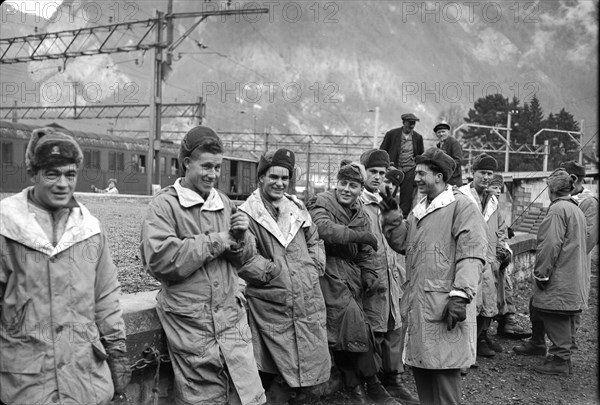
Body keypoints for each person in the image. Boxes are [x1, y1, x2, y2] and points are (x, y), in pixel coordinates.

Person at [0, 127, 130, 405]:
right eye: (52, 173)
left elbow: (105, 297)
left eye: (70, 174)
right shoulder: (6, 226)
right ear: (33, 174)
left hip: (85, 380)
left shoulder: (90, 229)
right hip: (25, 383)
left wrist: (117, 354)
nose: (62, 184)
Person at [140, 126, 266, 405]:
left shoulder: (222, 201)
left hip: (231, 319)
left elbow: (245, 258)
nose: (213, 174)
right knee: (203, 397)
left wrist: (243, 238)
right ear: (186, 163)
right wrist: (217, 241)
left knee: (247, 394)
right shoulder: (165, 205)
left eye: (218, 167)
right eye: (206, 166)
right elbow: (160, 259)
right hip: (192, 323)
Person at [380, 147, 487, 405]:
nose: (415, 179)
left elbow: (471, 254)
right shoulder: (420, 208)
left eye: (421, 173)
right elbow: (405, 243)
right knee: (424, 370)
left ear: (439, 176)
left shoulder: (462, 206)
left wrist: (461, 295)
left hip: (444, 304)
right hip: (421, 304)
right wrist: (393, 216)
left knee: (444, 372)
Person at [237, 149, 330, 404]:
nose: (279, 183)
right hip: (270, 304)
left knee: (308, 373)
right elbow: (245, 259)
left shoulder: (297, 208)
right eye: (273, 177)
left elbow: (314, 240)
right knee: (273, 371)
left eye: (285, 178)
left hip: (306, 298)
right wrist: (274, 272)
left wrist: (313, 266)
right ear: (261, 178)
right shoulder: (247, 214)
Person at [307, 162, 401, 405]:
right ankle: (367, 384)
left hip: (351, 277)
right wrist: (358, 236)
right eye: (343, 183)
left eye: (353, 185)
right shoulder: (322, 202)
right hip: (327, 273)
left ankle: (362, 384)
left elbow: (366, 252)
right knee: (352, 324)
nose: (346, 189)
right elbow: (324, 229)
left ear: (360, 189)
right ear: (336, 183)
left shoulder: (359, 211)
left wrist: (369, 271)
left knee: (355, 331)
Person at [358, 149, 419, 405]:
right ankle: (371, 383)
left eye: (383, 173)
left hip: (393, 276)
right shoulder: (358, 204)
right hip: (371, 279)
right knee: (372, 329)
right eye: (373, 172)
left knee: (394, 326)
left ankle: (393, 380)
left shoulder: (389, 203)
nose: (379, 178)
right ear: (363, 172)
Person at [514, 169, 588, 376]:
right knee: (567, 316)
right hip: (573, 275)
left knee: (555, 315)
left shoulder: (557, 210)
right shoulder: (576, 209)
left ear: (551, 189)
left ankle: (560, 360)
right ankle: (562, 358)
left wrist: (541, 273)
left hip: (560, 275)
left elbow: (549, 245)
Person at [458, 154, 505, 358]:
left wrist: (503, 247)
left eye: (489, 173)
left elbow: (500, 227)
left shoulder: (493, 201)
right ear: (472, 173)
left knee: (487, 299)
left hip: (489, 257)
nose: (486, 177)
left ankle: (480, 338)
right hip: (468, 256)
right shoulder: (461, 198)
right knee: (468, 300)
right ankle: (465, 348)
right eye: (482, 173)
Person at [487, 174, 532, 340]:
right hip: (489, 256)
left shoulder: (495, 205)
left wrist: (506, 231)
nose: (498, 191)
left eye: (500, 188)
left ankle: (508, 321)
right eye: (495, 187)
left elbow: (499, 227)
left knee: (505, 284)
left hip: (498, 255)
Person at [379, 113, 425, 217]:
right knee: (389, 192)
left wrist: (416, 163)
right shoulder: (392, 134)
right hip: (393, 168)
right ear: (403, 122)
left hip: (410, 170)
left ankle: (402, 218)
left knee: (407, 198)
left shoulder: (418, 137)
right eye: (409, 124)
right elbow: (382, 151)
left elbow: (421, 155)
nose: (412, 126)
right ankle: (384, 215)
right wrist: (386, 166)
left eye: (413, 124)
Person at [434, 121, 463, 187]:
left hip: (453, 179)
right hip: (445, 178)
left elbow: (458, 161)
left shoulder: (454, 143)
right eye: (439, 132)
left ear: (448, 132)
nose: (441, 134)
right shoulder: (439, 145)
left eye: (443, 131)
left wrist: (444, 165)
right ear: (436, 134)